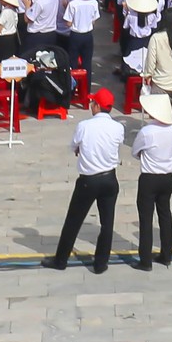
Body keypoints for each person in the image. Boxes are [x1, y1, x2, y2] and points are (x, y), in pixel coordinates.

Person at [41, 101, 125, 272]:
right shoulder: (118, 127)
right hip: (110, 178)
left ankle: (60, 260)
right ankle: (101, 264)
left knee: (73, 221)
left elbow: (73, 146)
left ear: (97, 107)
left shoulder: (84, 125)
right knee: (107, 223)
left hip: (89, 180)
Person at [133, 89, 172, 269]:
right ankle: (166, 254)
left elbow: (135, 151)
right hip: (167, 177)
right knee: (165, 215)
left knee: (146, 218)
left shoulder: (147, 131)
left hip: (149, 178)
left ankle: (145, 260)